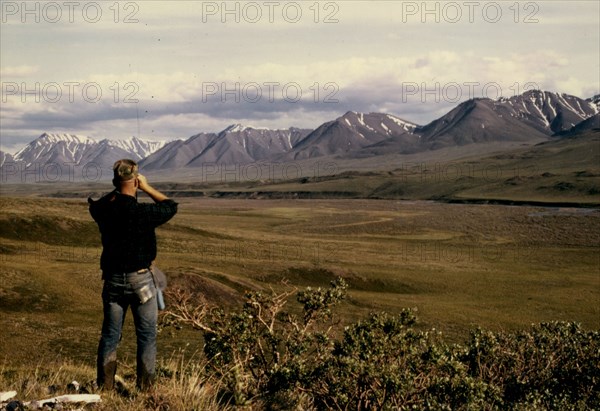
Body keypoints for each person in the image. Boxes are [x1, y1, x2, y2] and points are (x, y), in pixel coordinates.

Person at [88, 159, 178, 390]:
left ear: (115, 182)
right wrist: (146, 188)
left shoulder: (102, 210)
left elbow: (97, 204)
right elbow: (170, 206)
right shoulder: (142, 213)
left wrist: (120, 188)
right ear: (136, 181)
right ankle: (146, 389)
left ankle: (105, 387)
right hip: (141, 281)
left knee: (110, 335)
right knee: (146, 336)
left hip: (112, 280)